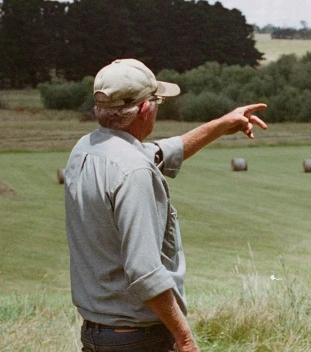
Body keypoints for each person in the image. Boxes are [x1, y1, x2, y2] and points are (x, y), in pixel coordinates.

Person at [63, 58, 267, 352]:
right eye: (157, 101)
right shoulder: (135, 171)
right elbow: (144, 272)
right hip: (139, 340)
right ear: (145, 109)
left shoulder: (85, 150)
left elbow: (160, 152)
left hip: (97, 336)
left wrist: (222, 125)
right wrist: (185, 339)